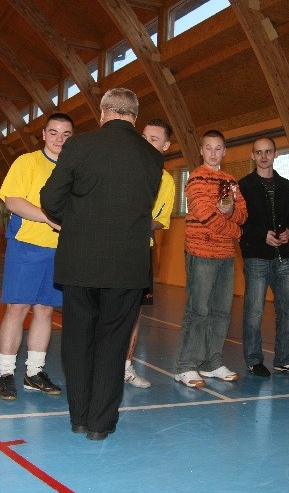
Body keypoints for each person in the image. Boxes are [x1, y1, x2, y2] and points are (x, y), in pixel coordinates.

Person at [40, 88, 162, 440]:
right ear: (134, 116)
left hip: (81, 260)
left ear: (103, 113)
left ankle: (79, 417)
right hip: (127, 264)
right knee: (113, 342)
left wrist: (79, 221)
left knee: (78, 338)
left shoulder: (79, 145)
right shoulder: (152, 156)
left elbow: (51, 199)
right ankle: (100, 424)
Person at [0, 113, 74, 400]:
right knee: (17, 309)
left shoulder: (74, 169)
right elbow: (13, 201)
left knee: (45, 311)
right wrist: (49, 218)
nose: (59, 139)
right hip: (26, 246)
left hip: (59, 250)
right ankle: (6, 374)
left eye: (66, 134)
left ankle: (34, 373)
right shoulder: (26, 162)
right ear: (43, 134)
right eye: (53, 132)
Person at [174, 130, 248, 387]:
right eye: (209, 148)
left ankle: (212, 362)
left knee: (221, 311)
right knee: (198, 310)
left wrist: (232, 211)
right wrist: (238, 232)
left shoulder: (231, 181)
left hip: (226, 255)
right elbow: (207, 216)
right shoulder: (195, 179)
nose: (213, 153)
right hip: (201, 253)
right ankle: (186, 365)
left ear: (224, 152)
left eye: (218, 148)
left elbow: (243, 213)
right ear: (201, 150)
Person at [238, 137, 289, 377]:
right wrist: (262, 236)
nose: (264, 156)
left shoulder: (287, 186)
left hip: (283, 259)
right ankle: (253, 360)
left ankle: (286, 360)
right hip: (255, 258)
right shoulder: (243, 186)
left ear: (275, 154)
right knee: (254, 312)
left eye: (268, 151)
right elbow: (238, 221)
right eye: (259, 152)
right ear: (253, 155)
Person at [124, 118, 176, 389]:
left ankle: (126, 366)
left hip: (140, 252)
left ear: (166, 146)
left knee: (134, 312)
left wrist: (134, 219)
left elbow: (159, 221)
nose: (145, 143)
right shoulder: (120, 167)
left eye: (153, 139)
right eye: (143, 137)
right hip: (108, 250)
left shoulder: (166, 181)